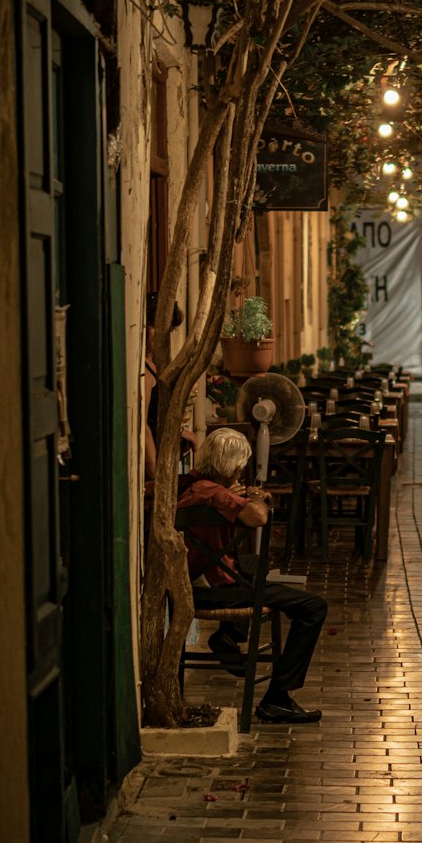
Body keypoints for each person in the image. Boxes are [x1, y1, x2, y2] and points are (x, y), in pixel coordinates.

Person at [177, 428, 327, 724]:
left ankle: (229, 635)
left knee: (254, 562)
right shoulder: (216, 494)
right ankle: (277, 698)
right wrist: (256, 497)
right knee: (313, 608)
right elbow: (258, 517)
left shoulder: (190, 484)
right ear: (234, 468)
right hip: (215, 588)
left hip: (190, 578)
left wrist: (229, 496)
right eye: (240, 467)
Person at [145, 293, 197, 479]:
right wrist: (156, 475)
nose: (162, 336)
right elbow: (144, 426)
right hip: (153, 464)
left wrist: (180, 431)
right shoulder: (144, 370)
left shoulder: (156, 363)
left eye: (168, 330)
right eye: (156, 328)